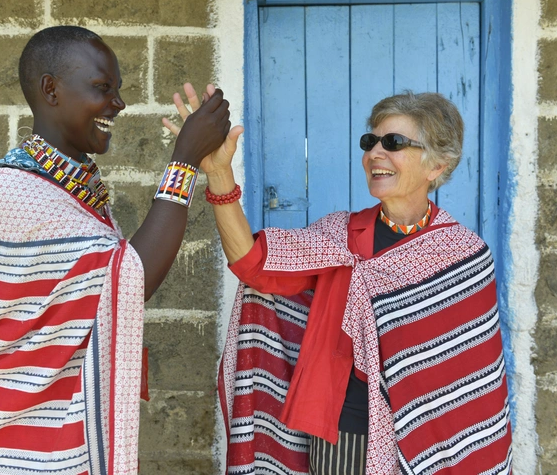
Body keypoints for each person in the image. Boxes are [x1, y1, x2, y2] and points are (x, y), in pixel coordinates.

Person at [0, 26, 230, 474]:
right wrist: (183, 161)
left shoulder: (70, 184)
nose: (119, 103)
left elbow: (113, 281)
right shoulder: (13, 190)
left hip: (48, 438)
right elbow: (130, 278)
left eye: (118, 90)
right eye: (102, 88)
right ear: (51, 89)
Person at [165, 88, 513, 474]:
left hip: (430, 446)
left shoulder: (463, 256)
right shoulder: (339, 237)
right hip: (343, 435)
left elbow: (471, 385)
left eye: (393, 143)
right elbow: (252, 263)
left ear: (437, 166)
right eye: (371, 141)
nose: (375, 154)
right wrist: (218, 174)